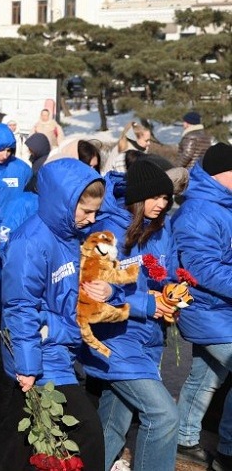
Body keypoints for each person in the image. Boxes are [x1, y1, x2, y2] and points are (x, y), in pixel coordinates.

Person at [0, 159, 108, 471]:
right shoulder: (30, 242)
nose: (92, 219)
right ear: (64, 202)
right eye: (86, 211)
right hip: (43, 356)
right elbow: (20, 307)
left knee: (18, 443)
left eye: (95, 212)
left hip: (63, 350)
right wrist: (28, 366)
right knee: (88, 434)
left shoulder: (72, 236)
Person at [80, 158, 179, 471]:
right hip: (115, 341)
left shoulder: (161, 229)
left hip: (149, 339)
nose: (162, 205)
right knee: (164, 416)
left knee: (113, 423)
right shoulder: (107, 232)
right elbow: (98, 291)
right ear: (138, 196)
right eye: (156, 197)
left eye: (167, 199)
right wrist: (148, 303)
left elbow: (168, 273)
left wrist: (171, 294)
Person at [174, 143, 232, 470]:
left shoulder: (222, 205)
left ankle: (184, 437)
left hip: (221, 311)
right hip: (207, 311)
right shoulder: (199, 212)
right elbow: (202, 268)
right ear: (221, 174)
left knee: (206, 375)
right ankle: (228, 450)